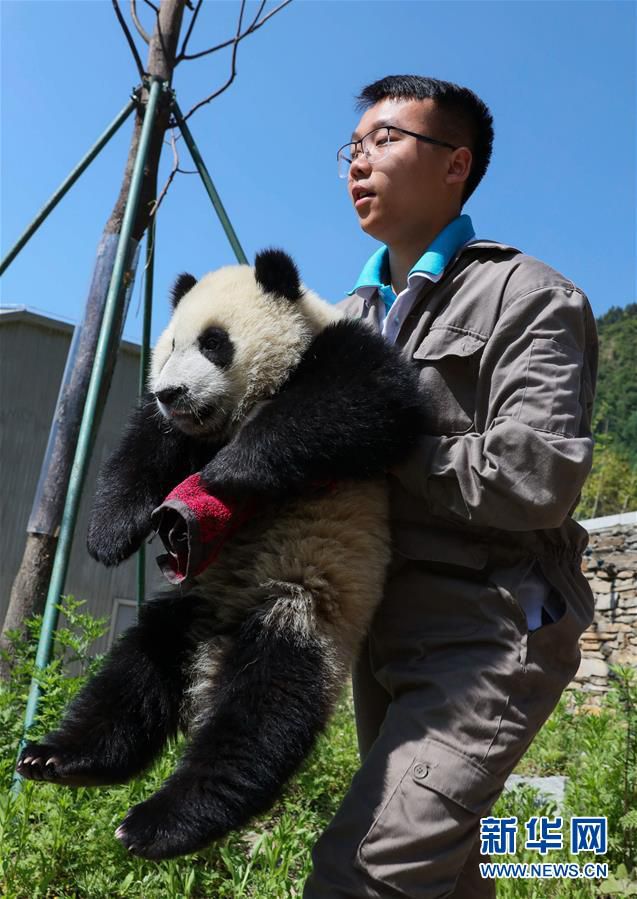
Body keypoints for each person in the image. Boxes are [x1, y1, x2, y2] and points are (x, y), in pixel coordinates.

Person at [302, 75, 598, 899]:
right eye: (350, 148)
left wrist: (382, 441)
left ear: (454, 164)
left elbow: (536, 478)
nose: (359, 160)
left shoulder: (527, 296)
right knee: (444, 867)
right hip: (384, 633)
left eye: (385, 140)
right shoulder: (343, 320)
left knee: (366, 868)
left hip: (489, 627)